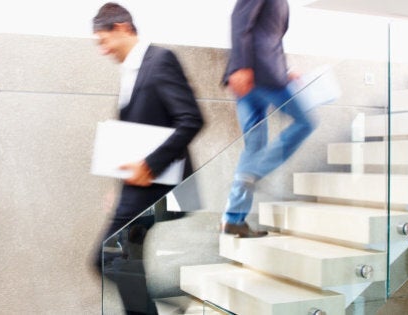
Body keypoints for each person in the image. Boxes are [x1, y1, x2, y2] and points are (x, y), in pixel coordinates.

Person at [91, 3, 204, 314]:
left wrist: (149, 166)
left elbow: (191, 119)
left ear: (123, 28)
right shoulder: (131, 71)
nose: (103, 50)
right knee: (124, 262)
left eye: (103, 40)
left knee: (110, 257)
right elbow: (134, 137)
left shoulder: (160, 60)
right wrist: (118, 186)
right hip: (136, 188)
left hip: (159, 187)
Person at [221, 0, 315, 237]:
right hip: (256, 75)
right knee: (305, 122)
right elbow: (239, 20)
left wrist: (285, 69)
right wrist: (241, 67)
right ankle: (256, 171)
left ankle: (233, 219)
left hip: (260, 74)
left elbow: (271, 38)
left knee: (254, 146)